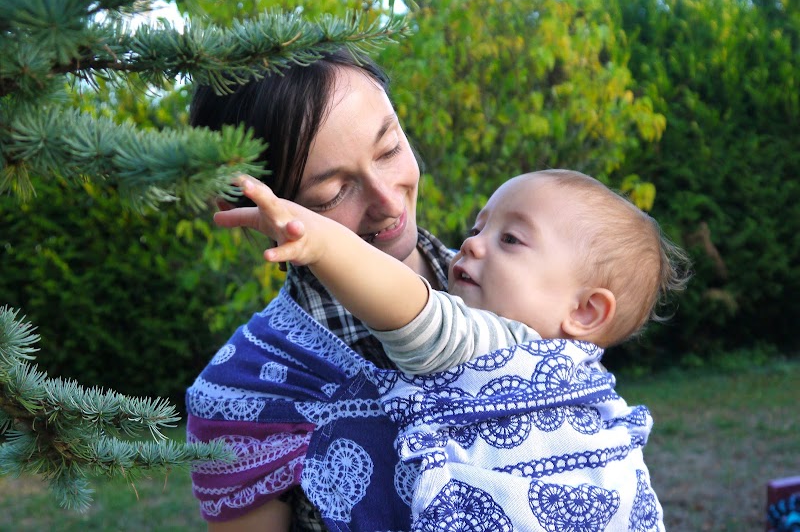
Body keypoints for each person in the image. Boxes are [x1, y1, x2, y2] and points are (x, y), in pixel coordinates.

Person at [213, 168, 691, 531]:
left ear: (585, 312)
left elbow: (406, 306)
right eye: (479, 228)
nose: (472, 244)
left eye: (510, 239)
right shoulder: (589, 385)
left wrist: (321, 242)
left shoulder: (502, 343)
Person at [185, 48, 455, 531]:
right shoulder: (242, 397)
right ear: (251, 210)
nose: (388, 202)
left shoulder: (527, 289)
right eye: (332, 193)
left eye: (390, 148)